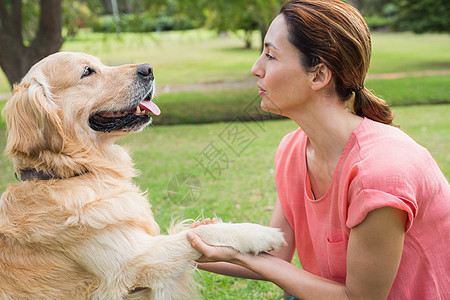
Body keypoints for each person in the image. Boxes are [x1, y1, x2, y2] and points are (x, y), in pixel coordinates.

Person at [186, 0, 450, 299]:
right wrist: (189, 245)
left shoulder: (380, 172)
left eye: (270, 55)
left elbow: (359, 297)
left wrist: (240, 255)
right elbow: (277, 252)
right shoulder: (294, 149)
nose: (255, 68)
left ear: (318, 75)